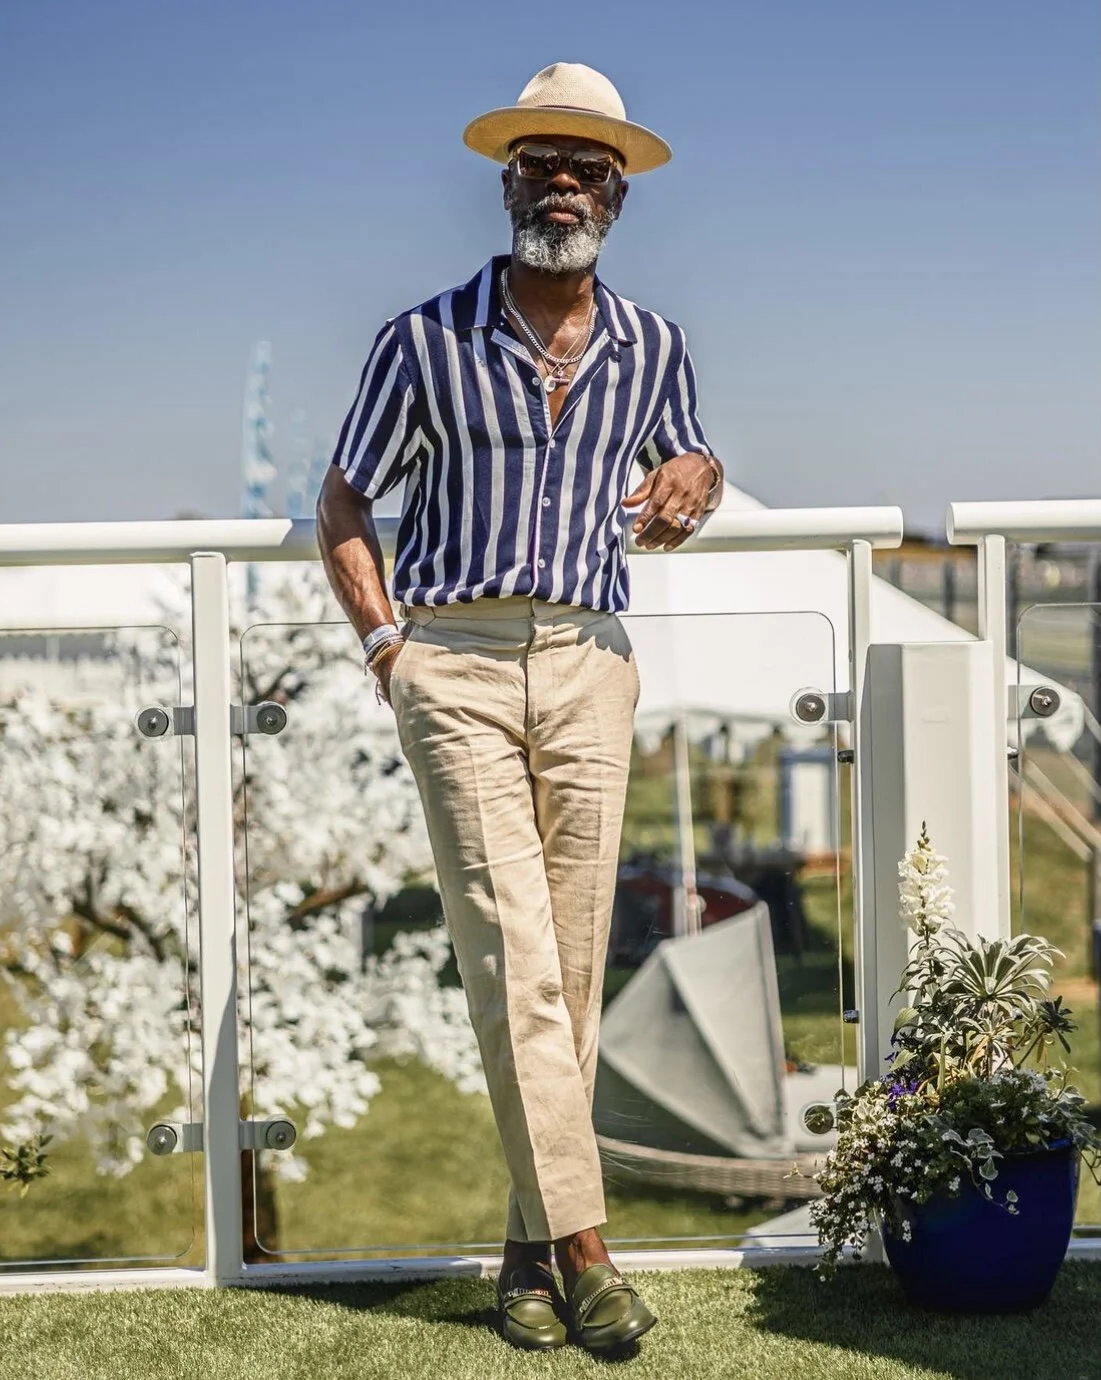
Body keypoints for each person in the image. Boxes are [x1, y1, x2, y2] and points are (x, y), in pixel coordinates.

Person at [317, 61, 722, 1354]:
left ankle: (521, 1254)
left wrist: (699, 474)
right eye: (540, 160)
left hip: (593, 660)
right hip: (460, 666)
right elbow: (343, 504)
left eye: (586, 165)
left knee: (572, 966)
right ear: (505, 181)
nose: (562, 181)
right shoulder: (421, 338)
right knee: (512, 952)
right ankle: (591, 1253)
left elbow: (685, 462)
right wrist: (391, 648)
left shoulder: (654, 345)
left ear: (617, 193)